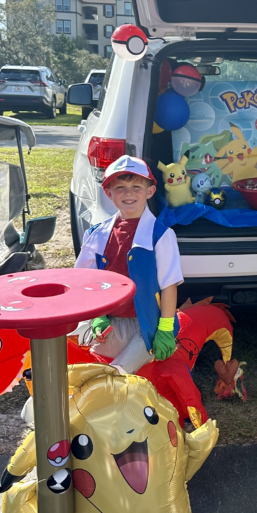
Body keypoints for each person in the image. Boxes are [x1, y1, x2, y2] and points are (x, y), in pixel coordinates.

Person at [75, 155, 182, 373]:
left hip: (147, 326)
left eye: (136, 186)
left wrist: (165, 329)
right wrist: (97, 316)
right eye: (120, 187)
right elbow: (85, 282)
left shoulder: (161, 236)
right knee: (77, 361)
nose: (129, 193)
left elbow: (169, 286)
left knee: (117, 373)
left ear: (150, 191)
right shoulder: (96, 234)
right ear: (109, 193)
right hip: (110, 322)